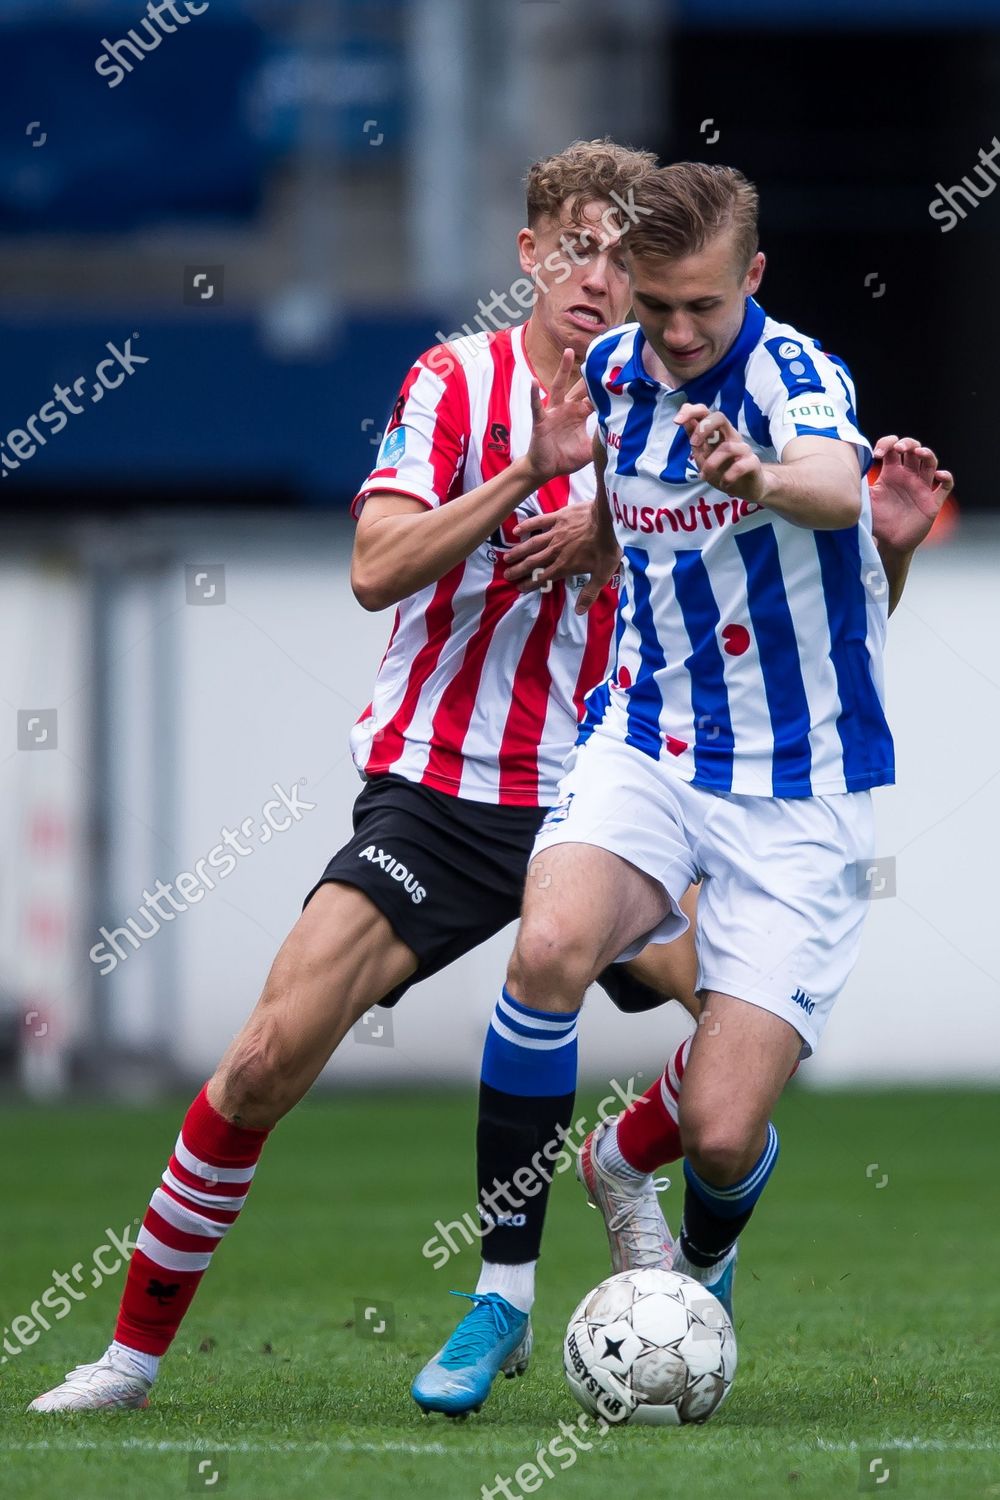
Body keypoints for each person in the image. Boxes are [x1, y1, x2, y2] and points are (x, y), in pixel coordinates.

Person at [27, 137, 696, 1416]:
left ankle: (621, 1165)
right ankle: (128, 1357)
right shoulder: (455, 387)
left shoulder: (675, 406)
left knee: (741, 1035)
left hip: (609, 794)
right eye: (576, 247)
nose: (598, 278)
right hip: (441, 792)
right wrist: (527, 477)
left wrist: (618, 522)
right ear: (529, 254)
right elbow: (375, 568)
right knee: (267, 1055)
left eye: (625, 256)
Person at [418, 159, 953, 1412]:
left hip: (798, 788)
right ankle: (499, 1293)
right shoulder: (614, 374)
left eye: (700, 307)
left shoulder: (794, 378)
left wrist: (761, 480)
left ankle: (664, 1218)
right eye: (654, 305)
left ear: (752, 279)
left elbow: (829, 478)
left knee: (720, 1135)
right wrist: (603, 530)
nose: (671, 332)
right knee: (548, 948)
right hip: (647, 744)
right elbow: (632, 506)